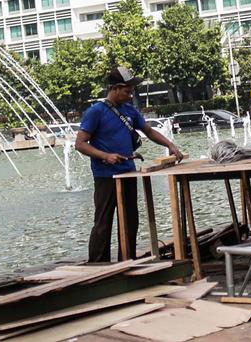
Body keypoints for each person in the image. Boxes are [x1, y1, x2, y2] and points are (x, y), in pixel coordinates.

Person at [76, 66, 185, 263]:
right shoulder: (96, 112)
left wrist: (170, 145)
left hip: (128, 173)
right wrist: (105, 156)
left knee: (130, 220)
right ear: (115, 89)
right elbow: (80, 144)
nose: (130, 95)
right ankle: (97, 265)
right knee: (103, 222)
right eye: (127, 91)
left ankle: (127, 260)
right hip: (105, 176)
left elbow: (149, 132)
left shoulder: (130, 111)